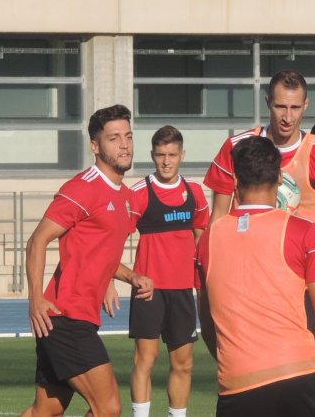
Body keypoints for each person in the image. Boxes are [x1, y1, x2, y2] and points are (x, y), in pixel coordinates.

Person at [203, 70, 315, 352]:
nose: (288, 116)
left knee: (312, 367)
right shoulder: (237, 148)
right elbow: (218, 220)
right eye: (280, 106)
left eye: (295, 107)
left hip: (304, 281)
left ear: (306, 105)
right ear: (267, 103)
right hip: (249, 275)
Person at [23, 104, 154, 417]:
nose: (124, 145)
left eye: (128, 136)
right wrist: (35, 299)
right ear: (95, 146)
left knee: (47, 410)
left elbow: (102, 257)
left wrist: (132, 277)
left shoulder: (126, 198)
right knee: (108, 409)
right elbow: (37, 241)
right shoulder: (82, 188)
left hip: (74, 318)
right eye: (113, 138)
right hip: (65, 318)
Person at [197, 136, 315, 416]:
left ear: (236, 180)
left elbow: (207, 322)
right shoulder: (301, 230)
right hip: (300, 372)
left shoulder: (208, 239)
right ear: (279, 178)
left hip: (238, 380)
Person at [122, 126, 210, 417]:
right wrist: (112, 279)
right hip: (149, 291)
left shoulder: (195, 193)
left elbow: (203, 239)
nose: (167, 161)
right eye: (160, 155)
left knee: (184, 363)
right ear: (152, 156)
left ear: (182, 155)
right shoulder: (139, 193)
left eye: (172, 154)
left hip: (183, 289)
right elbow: (113, 239)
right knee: (144, 360)